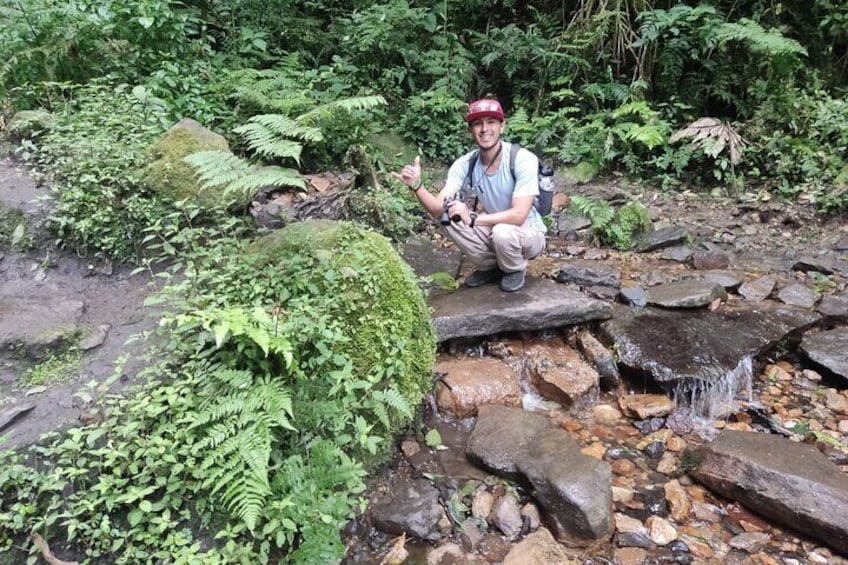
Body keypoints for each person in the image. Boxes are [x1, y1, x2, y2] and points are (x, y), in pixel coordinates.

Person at [393, 98, 546, 292]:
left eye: (491, 122)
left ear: (502, 126)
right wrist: (417, 186)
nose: (484, 129)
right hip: (495, 229)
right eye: (477, 124)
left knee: (502, 232)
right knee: (449, 217)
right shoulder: (465, 164)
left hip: (528, 233)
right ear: (470, 130)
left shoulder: (522, 159)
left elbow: (519, 215)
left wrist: (473, 218)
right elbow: (436, 208)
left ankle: (513, 269)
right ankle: (491, 266)